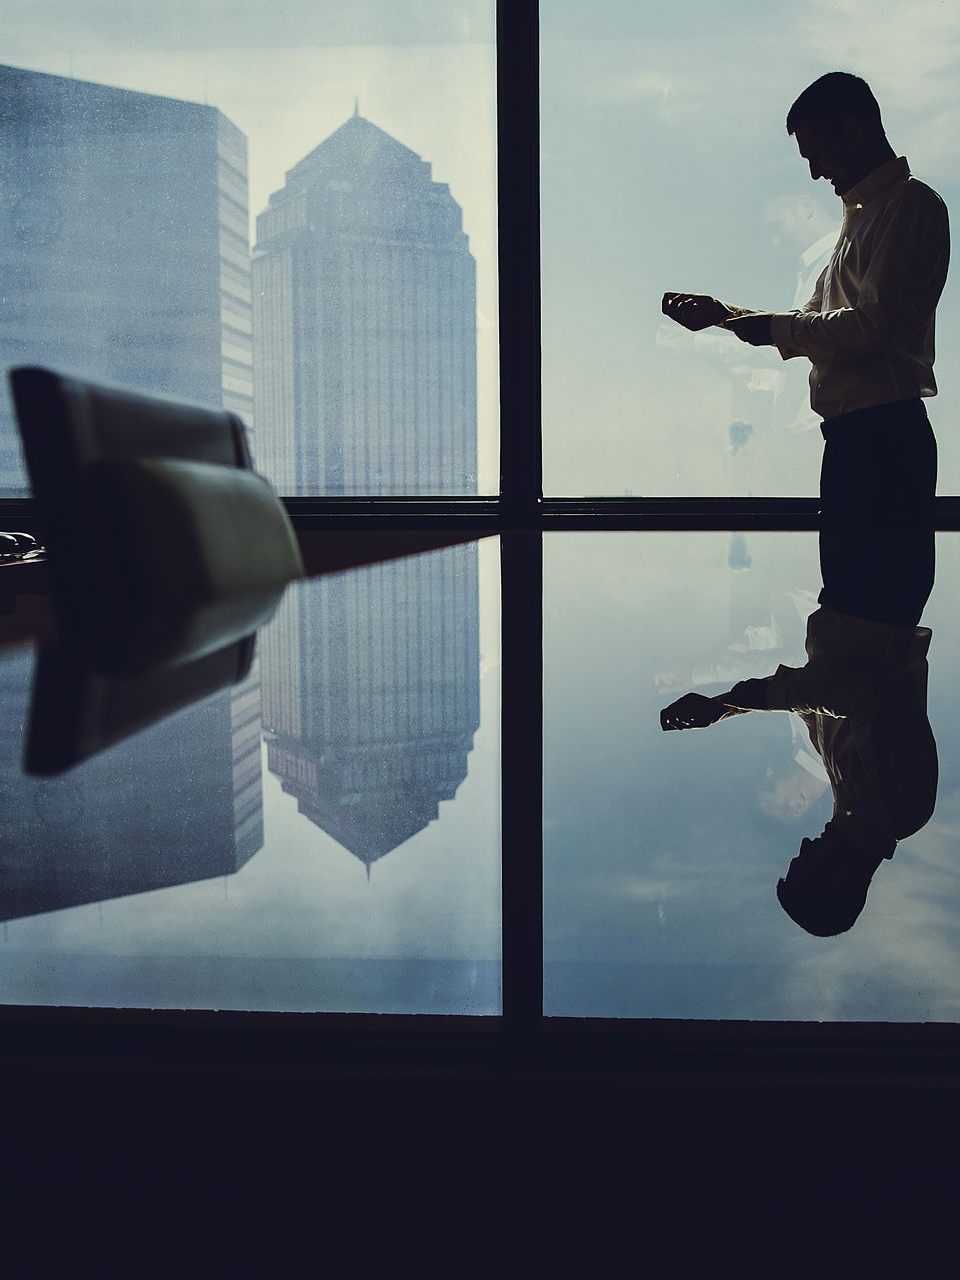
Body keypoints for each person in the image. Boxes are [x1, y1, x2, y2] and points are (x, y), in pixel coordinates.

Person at [661, 71, 950, 626]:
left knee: (871, 616)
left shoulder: (911, 208)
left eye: (818, 153)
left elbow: (871, 327)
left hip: (882, 445)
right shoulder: (863, 221)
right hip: (859, 444)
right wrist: (727, 316)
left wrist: (761, 325)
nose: (816, 171)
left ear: (854, 129)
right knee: (852, 610)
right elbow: (815, 324)